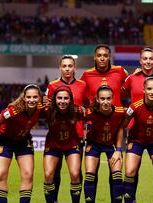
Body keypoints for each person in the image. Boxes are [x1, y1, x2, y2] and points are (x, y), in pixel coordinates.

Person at [121, 47, 153, 202]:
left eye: (151, 59)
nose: (148, 61)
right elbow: (117, 94)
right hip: (135, 130)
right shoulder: (132, 78)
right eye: (145, 59)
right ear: (140, 61)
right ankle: (131, 199)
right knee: (132, 169)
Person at [45, 55, 87, 201]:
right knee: (53, 172)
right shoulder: (52, 86)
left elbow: (88, 107)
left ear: (74, 68)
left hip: (77, 136)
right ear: (60, 68)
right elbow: (47, 109)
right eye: (64, 66)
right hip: (56, 136)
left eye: (70, 66)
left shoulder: (83, 85)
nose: (67, 69)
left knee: (76, 173)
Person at [0, 84, 42, 203]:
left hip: (24, 142)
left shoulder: (41, 106)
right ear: (24, 97)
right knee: (0, 174)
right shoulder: (13, 110)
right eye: (28, 97)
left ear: (39, 98)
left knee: (28, 175)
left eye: (35, 97)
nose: (32, 100)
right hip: (5, 141)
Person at [83, 85, 125, 203]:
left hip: (111, 144)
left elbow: (121, 128)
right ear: (97, 99)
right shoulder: (89, 112)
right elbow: (76, 119)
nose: (105, 102)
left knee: (117, 175)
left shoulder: (119, 111)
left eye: (108, 98)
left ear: (112, 99)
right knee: (90, 174)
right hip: (94, 144)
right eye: (102, 99)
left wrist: (118, 150)